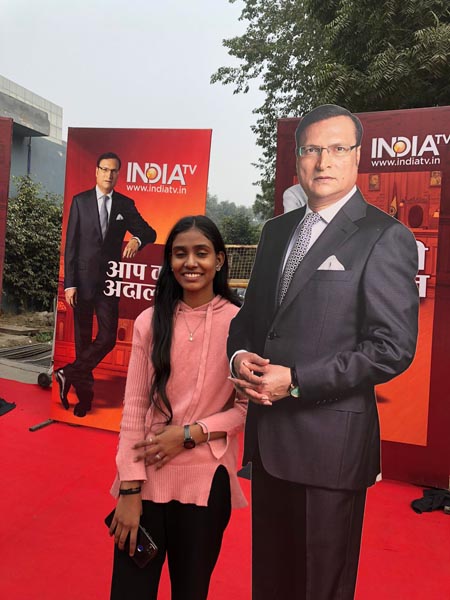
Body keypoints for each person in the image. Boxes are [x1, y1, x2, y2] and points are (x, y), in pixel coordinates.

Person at [228, 104, 419, 600]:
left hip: (331, 449)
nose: (323, 160)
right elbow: (249, 323)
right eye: (311, 149)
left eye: (336, 148)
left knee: (320, 589)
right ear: (298, 159)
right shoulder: (275, 233)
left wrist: (295, 380)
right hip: (269, 443)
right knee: (271, 583)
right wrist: (239, 358)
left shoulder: (384, 236)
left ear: (357, 156)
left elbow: (392, 348)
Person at [108, 215, 247, 600]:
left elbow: (246, 409)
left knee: (190, 591)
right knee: (129, 592)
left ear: (219, 260)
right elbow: (134, 411)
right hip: (146, 480)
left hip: (206, 483)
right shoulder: (150, 322)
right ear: (169, 261)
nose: (191, 262)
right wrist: (129, 491)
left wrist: (189, 434)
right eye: (180, 253)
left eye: (201, 253)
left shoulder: (240, 324)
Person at [55, 152, 156, 417]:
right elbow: (71, 245)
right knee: (82, 341)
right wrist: (70, 284)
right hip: (81, 283)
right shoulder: (80, 202)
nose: (109, 174)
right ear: (96, 171)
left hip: (110, 282)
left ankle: (67, 373)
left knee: (108, 337)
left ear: (118, 174)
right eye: (105, 169)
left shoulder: (124, 204)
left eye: (114, 171)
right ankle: (84, 400)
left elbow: (149, 232)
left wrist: (136, 239)